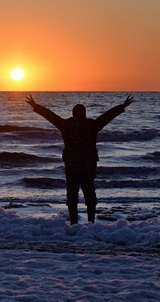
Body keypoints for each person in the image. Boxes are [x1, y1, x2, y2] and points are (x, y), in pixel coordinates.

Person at [26, 94, 134, 225]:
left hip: (71, 164)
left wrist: (35, 106)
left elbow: (50, 116)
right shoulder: (92, 125)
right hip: (88, 164)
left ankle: (73, 223)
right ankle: (91, 222)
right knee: (89, 192)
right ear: (84, 113)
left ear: (73, 113)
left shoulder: (65, 124)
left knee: (72, 193)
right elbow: (107, 117)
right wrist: (122, 106)